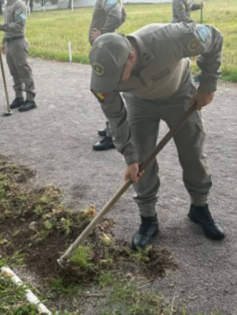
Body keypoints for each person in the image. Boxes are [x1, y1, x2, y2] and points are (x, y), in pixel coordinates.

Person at [88, 22, 225, 250]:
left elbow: (215, 37)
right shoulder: (103, 76)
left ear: (131, 57)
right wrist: (130, 156)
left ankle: (199, 208)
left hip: (180, 93)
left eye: (116, 77)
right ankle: (148, 219)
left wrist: (208, 86)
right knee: (141, 160)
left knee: (193, 153)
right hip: (140, 103)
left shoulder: (169, 38)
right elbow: (115, 118)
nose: (111, 85)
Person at [88, 0, 127, 151]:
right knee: (107, 91)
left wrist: (104, 34)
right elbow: (123, 15)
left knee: (105, 92)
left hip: (105, 51)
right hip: (106, 48)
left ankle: (113, 134)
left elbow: (117, 16)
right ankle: (111, 126)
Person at [0, 0, 36, 112]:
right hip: (9, 42)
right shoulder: (8, 6)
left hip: (18, 42)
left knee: (24, 71)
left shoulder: (18, 5)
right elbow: (8, 27)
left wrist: (0, 26)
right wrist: (4, 42)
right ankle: (19, 97)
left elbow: (19, 25)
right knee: (14, 71)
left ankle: (30, 100)